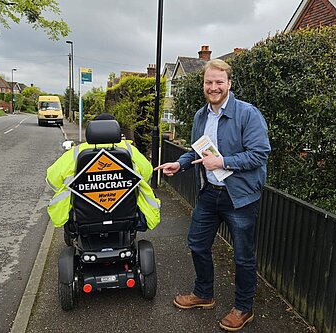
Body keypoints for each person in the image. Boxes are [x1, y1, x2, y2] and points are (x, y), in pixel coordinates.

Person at [155, 59, 270, 331]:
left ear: (229, 84)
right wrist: (180, 164)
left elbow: (259, 154)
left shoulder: (247, 114)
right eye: (209, 82)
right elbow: (197, 151)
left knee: (242, 255)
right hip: (209, 193)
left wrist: (222, 162)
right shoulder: (200, 116)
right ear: (203, 85)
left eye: (219, 82)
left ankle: (244, 308)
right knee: (197, 244)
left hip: (240, 198)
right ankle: (203, 294)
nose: (214, 87)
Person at [46, 113, 160, 231]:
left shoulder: (77, 153)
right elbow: (147, 174)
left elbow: (52, 180)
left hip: (84, 219)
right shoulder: (129, 150)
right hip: (125, 217)